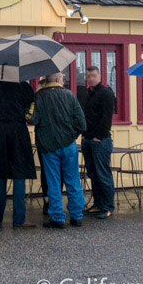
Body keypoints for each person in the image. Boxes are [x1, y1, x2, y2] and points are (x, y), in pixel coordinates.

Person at [27, 72, 86, 229]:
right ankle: (76, 215)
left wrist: (32, 103)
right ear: (58, 79)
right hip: (68, 144)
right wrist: (71, 135)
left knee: (53, 181)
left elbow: (31, 118)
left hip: (48, 145)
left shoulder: (39, 96)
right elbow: (81, 122)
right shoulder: (70, 95)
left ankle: (58, 217)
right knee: (73, 179)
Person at [0, 80, 37, 228]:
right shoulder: (23, 86)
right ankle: (19, 219)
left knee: (0, 175)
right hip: (18, 130)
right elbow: (31, 108)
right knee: (19, 174)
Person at [78, 65, 116, 219]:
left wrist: (98, 136)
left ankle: (107, 206)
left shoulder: (106, 93)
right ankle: (98, 204)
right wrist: (84, 134)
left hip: (100, 140)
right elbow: (84, 115)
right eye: (88, 76)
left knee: (103, 174)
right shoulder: (87, 93)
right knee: (93, 174)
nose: (91, 78)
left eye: (93, 75)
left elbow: (107, 117)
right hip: (87, 139)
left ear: (100, 76)